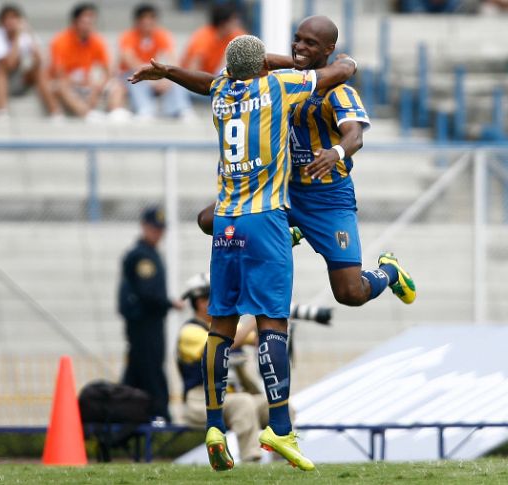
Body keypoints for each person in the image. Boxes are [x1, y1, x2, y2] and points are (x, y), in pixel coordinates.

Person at [129, 34, 357, 472]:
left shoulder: (221, 92)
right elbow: (341, 71)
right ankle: (280, 427)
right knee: (272, 323)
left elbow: (202, 81)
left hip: (226, 224)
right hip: (265, 219)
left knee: (221, 327)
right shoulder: (278, 87)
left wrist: (168, 71)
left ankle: (215, 425)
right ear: (261, 68)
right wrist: (311, 61)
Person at [167, 16, 417, 307]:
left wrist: (334, 153)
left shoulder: (339, 91)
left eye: (310, 43)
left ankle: (389, 272)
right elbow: (237, 71)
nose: (299, 45)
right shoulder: (279, 82)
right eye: (297, 39)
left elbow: (355, 137)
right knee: (209, 221)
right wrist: (303, 60)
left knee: (350, 294)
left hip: (327, 198)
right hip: (281, 189)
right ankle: (286, 230)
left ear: (329, 48)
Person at [177, 273, 280, 463]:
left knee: (279, 405)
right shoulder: (189, 332)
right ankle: (251, 459)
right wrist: (256, 315)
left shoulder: (228, 327)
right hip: (200, 401)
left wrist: (275, 320)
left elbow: (256, 339)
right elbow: (226, 343)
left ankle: (282, 460)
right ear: (201, 301)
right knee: (243, 403)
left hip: (232, 399)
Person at [117, 205, 183, 423]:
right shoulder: (142, 256)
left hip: (149, 320)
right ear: (144, 227)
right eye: (154, 229)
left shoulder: (149, 253)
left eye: (160, 230)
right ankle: (159, 413)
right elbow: (147, 293)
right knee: (150, 366)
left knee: (137, 370)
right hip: (144, 321)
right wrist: (169, 303)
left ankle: (123, 411)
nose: (158, 234)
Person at [0, 4, 61, 122]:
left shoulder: (25, 35)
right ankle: (1, 110)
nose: (11, 21)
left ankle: (55, 112)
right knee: (0, 67)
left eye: (14, 17)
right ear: (1, 21)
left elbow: (41, 62)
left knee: (38, 70)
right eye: (7, 18)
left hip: (15, 83)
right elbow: (8, 64)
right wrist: (17, 37)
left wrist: (30, 34)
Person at [50, 3, 130, 122]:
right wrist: (80, 82)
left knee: (117, 86)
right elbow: (59, 74)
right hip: (69, 84)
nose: (88, 25)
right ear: (75, 22)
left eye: (91, 21)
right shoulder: (60, 41)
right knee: (60, 85)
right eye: (85, 20)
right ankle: (86, 114)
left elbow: (108, 71)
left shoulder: (96, 40)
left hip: (88, 84)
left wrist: (98, 85)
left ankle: (115, 112)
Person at [118, 3, 194, 121]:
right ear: (137, 21)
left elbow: (173, 60)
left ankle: (180, 109)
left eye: (151, 18)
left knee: (176, 76)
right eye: (144, 18)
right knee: (137, 77)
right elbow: (131, 61)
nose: (148, 22)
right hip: (130, 75)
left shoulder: (161, 35)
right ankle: (145, 109)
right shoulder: (128, 36)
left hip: (150, 74)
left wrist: (169, 78)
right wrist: (151, 79)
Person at [181, 3, 246, 74]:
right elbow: (193, 72)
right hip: (194, 79)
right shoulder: (203, 38)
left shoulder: (237, 34)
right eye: (234, 20)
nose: (238, 23)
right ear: (223, 23)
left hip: (216, 78)